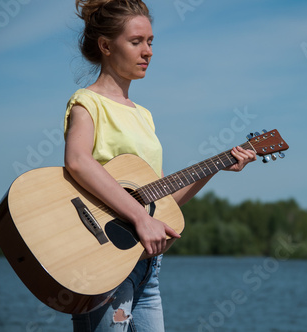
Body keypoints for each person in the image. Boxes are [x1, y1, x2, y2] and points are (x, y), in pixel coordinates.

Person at [64, 0, 256, 331]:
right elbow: (77, 161)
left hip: (148, 267)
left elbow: (159, 201)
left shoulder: (144, 115)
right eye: (136, 41)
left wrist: (216, 166)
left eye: (150, 42)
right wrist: (140, 217)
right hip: (104, 262)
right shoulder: (87, 102)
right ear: (106, 45)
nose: (148, 51)